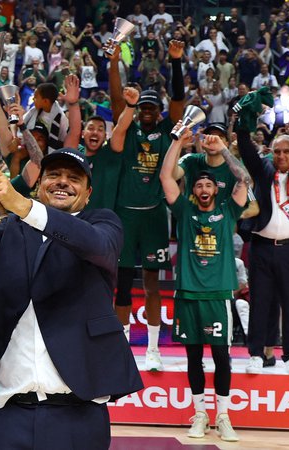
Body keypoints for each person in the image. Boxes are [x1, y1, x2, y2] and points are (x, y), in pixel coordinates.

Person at [0, 148, 143, 449]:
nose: (62, 182)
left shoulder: (103, 223)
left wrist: (21, 204)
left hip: (79, 414)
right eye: (54, 175)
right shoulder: (11, 229)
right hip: (8, 414)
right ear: (39, 184)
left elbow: (93, 244)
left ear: (88, 194)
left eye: (74, 178)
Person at [160, 125, 249, 442]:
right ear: (194, 192)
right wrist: (176, 141)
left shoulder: (228, 210)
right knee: (193, 357)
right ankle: (200, 414)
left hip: (218, 294)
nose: (203, 187)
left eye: (208, 184)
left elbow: (244, 180)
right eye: (198, 185)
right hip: (188, 294)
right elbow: (166, 177)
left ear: (215, 190)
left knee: (222, 357)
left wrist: (223, 149)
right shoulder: (183, 211)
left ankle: (223, 416)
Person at [109, 40, 186, 368]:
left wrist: (176, 63)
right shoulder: (128, 132)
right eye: (145, 108)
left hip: (155, 216)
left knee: (153, 284)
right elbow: (116, 100)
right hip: (126, 215)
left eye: (154, 108)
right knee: (123, 284)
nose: (149, 112)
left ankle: (153, 349)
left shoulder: (168, 130)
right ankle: (123, 346)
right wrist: (113, 64)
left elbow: (180, 103)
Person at [235, 95, 289, 376]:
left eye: (286, 152)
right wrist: (244, 118)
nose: (281, 156)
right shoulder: (263, 171)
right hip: (261, 247)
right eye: (277, 151)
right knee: (260, 301)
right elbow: (246, 148)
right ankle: (256, 354)